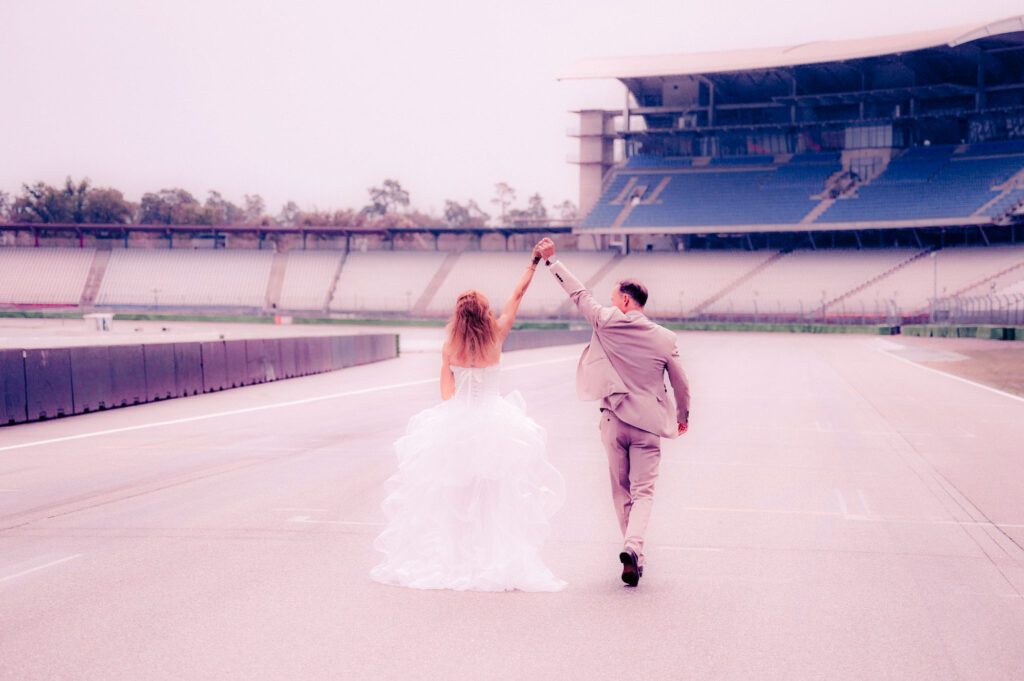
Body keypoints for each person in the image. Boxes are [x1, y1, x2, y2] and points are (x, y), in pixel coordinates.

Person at [370, 247, 566, 592]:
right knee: (495, 496)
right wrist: (533, 263)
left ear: (458, 316)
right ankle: (492, 557)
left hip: (457, 422)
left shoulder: (449, 346)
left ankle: (456, 557)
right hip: (496, 423)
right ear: (486, 312)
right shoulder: (498, 335)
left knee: (455, 495)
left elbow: (446, 391)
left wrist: (456, 407)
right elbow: (517, 295)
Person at [535, 237, 690, 587]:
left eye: (613, 297)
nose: (609, 302)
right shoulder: (665, 338)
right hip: (649, 426)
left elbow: (577, 294)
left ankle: (632, 551)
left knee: (621, 491)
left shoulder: (606, 320)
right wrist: (684, 415)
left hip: (614, 422)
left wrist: (552, 261)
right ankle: (633, 547)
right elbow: (681, 383)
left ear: (624, 299)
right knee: (644, 493)